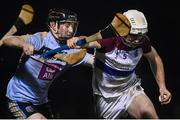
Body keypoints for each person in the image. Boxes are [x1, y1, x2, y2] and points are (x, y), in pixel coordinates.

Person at [67, 9, 172, 119]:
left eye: (140, 36)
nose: (137, 40)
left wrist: (162, 87)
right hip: (106, 97)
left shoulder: (143, 41)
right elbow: (88, 41)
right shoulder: (109, 40)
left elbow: (155, 58)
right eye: (134, 35)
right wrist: (77, 40)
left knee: (150, 116)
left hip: (130, 90)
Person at [0, 8, 93, 119]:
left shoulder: (72, 50)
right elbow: (8, 40)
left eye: (73, 25)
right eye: (67, 25)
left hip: (42, 102)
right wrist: (24, 44)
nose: (71, 30)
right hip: (19, 99)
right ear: (53, 25)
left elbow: (95, 61)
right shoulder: (40, 40)